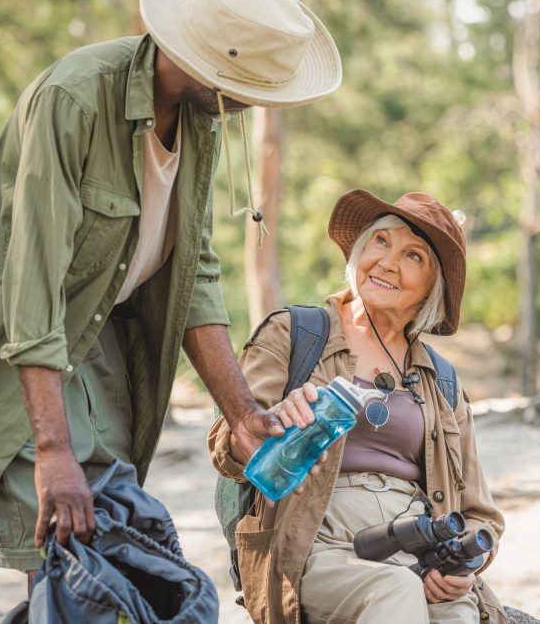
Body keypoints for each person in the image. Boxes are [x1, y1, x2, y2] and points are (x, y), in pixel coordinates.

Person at [0, 0, 341, 592]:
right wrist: (53, 449)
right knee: (64, 540)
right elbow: (32, 282)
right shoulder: (75, 98)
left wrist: (243, 412)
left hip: (104, 341)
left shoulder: (201, 119)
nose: (254, 103)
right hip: (15, 341)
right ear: (209, 67)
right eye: (249, 87)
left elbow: (195, 272)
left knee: (104, 546)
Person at [208, 190, 508, 624]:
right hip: (314, 542)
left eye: (414, 256)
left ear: (432, 287)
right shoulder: (295, 333)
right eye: (380, 241)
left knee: (457, 610)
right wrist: (274, 422)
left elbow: (481, 516)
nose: (387, 261)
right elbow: (226, 445)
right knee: (394, 590)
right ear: (359, 252)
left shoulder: (441, 380)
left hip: (417, 547)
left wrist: (465, 565)